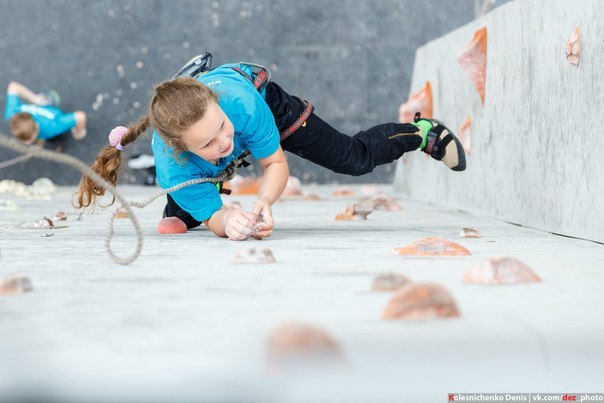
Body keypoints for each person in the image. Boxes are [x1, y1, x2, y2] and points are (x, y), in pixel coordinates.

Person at [75, 58, 466, 241]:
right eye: (209, 143)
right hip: (197, 149)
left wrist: (264, 201)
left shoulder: (240, 107)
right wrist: (226, 222)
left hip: (265, 106)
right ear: (180, 148)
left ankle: (420, 133)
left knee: (353, 159)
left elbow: (274, 163)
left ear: (218, 107)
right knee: (189, 207)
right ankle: (184, 203)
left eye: (220, 130)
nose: (224, 143)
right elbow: (218, 220)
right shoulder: (173, 164)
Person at [4, 81, 87, 145]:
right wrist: (34, 98)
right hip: (44, 109)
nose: (27, 143)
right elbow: (13, 86)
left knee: (54, 138)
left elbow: (80, 116)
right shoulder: (11, 113)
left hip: (56, 116)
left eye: (30, 139)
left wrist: (79, 132)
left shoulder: (51, 128)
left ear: (36, 125)